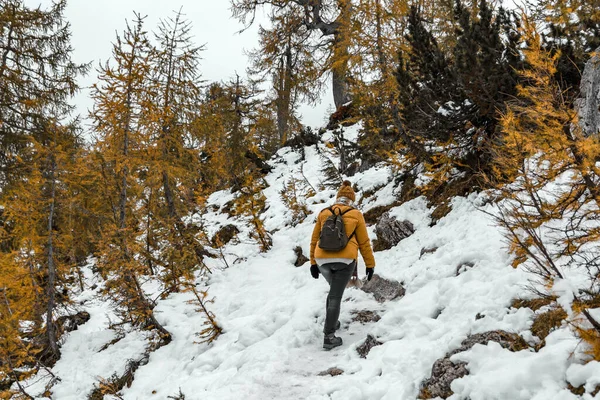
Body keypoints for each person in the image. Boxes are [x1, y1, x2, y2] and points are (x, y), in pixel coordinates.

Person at [309, 180, 376, 350]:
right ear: (351, 200)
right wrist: (370, 265)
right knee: (335, 297)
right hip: (345, 261)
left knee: (333, 292)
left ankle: (333, 321)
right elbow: (364, 243)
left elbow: (314, 239)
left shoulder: (324, 213)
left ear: (338, 198)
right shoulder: (356, 214)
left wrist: (313, 263)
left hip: (322, 260)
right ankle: (329, 337)